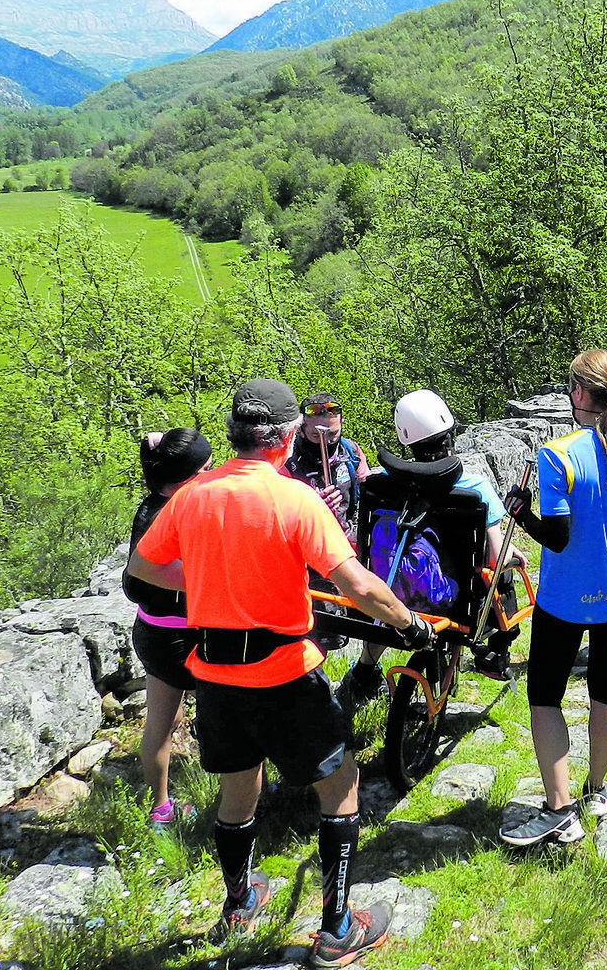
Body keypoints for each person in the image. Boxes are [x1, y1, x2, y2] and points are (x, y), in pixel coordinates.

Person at [128, 379, 434, 965]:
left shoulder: (191, 495)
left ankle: (239, 905)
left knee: (238, 786)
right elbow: (356, 584)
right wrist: (409, 625)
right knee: (340, 784)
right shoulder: (295, 499)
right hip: (285, 670)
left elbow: (145, 566)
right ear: (287, 436)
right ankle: (338, 928)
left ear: (234, 435)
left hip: (214, 671)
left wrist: (205, 585)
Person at [499, 350, 607, 847]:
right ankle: (596, 788)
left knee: (545, 696)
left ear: (580, 394)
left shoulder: (557, 454)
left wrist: (519, 514)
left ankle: (558, 808)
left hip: (567, 599)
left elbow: (560, 537)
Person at [341, 388, 523, 698]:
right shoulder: (474, 488)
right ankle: (493, 652)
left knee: (394, 580)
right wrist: (513, 558)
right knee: (501, 575)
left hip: (388, 590)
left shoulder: (379, 483)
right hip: (453, 601)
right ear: (449, 431)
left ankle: (364, 669)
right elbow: (495, 558)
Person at [124, 428, 211, 830]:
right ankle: (236, 798)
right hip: (191, 636)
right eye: (207, 470)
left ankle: (160, 809)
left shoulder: (148, 508)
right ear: (189, 478)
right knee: (225, 716)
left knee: (160, 725)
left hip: (151, 631)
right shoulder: (183, 515)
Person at [285, 391, 372, 654]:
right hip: (306, 557)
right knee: (320, 631)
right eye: (316, 435)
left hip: (347, 546)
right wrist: (310, 502)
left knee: (363, 618)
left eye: (332, 435)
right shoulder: (287, 462)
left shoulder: (351, 451)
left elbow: (366, 489)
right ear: (301, 430)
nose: (326, 440)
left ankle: (362, 673)